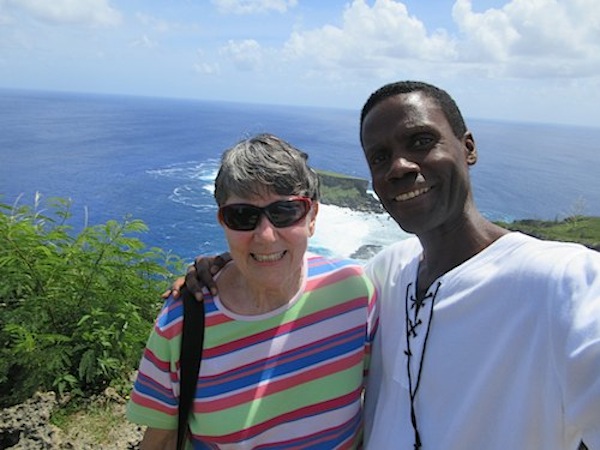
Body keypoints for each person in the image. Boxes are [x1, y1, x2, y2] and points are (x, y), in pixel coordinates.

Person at [178, 81, 600, 449]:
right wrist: (232, 264)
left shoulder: (567, 283)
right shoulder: (386, 273)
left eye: (420, 141)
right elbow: (292, 283)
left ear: (467, 148)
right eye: (379, 157)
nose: (399, 166)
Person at [126, 134, 378, 449]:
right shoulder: (182, 323)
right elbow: (160, 440)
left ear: (312, 217)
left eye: (285, 212)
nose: (266, 236)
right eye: (243, 216)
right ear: (223, 222)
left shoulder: (354, 292)